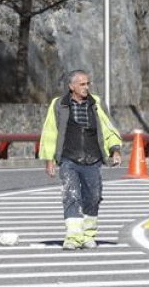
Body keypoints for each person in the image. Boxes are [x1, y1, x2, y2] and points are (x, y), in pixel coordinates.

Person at [39, 70, 123, 250]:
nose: (87, 87)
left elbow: (108, 129)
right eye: (82, 84)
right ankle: (73, 237)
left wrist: (115, 149)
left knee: (93, 197)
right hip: (69, 158)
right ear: (72, 86)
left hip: (93, 159)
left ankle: (88, 235)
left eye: (88, 84)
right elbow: (50, 132)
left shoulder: (97, 104)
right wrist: (49, 159)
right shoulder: (59, 105)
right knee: (71, 195)